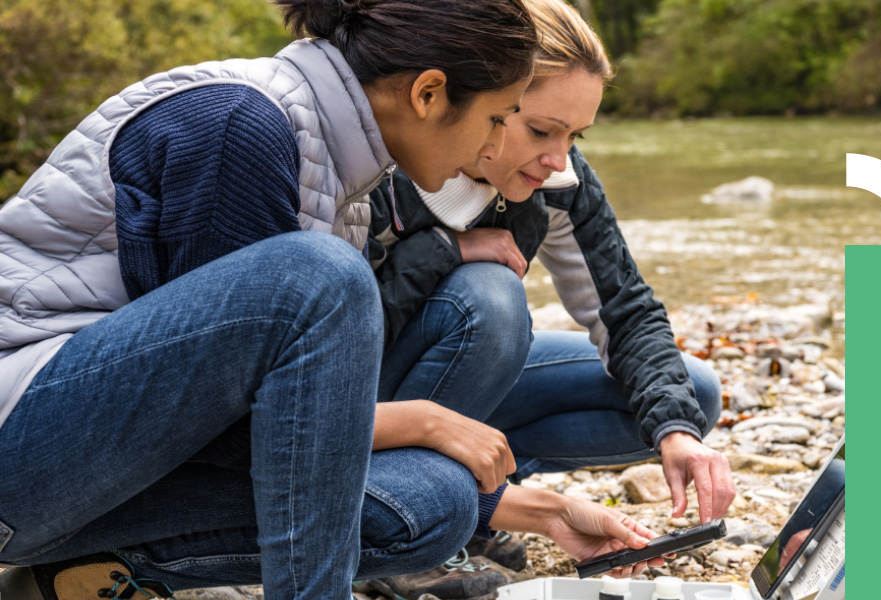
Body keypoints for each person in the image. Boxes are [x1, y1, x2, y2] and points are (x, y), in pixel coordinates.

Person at [0, 1, 663, 598]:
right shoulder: (242, 125)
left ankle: (89, 571)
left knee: (433, 501)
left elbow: (268, 424)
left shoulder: (340, 162)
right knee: (323, 275)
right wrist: (430, 423)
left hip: (82, 478)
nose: (495, 147)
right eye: (496, 119)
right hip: (23, 450)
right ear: (429, 92)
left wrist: (537, 511)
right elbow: (240, 430)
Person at [367, 0, 737, 560]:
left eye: (575, 137)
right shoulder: (382, 166)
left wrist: (677, 433)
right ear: (490, 98)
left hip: (461, 384)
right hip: (363, 402)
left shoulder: (560, 178)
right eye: (541, 129)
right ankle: (407, 520)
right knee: (491, 297)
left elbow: (626, 311)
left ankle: (479, 500)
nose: (557, 158)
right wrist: (447, 249)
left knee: (690, 397)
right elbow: (338, 331)